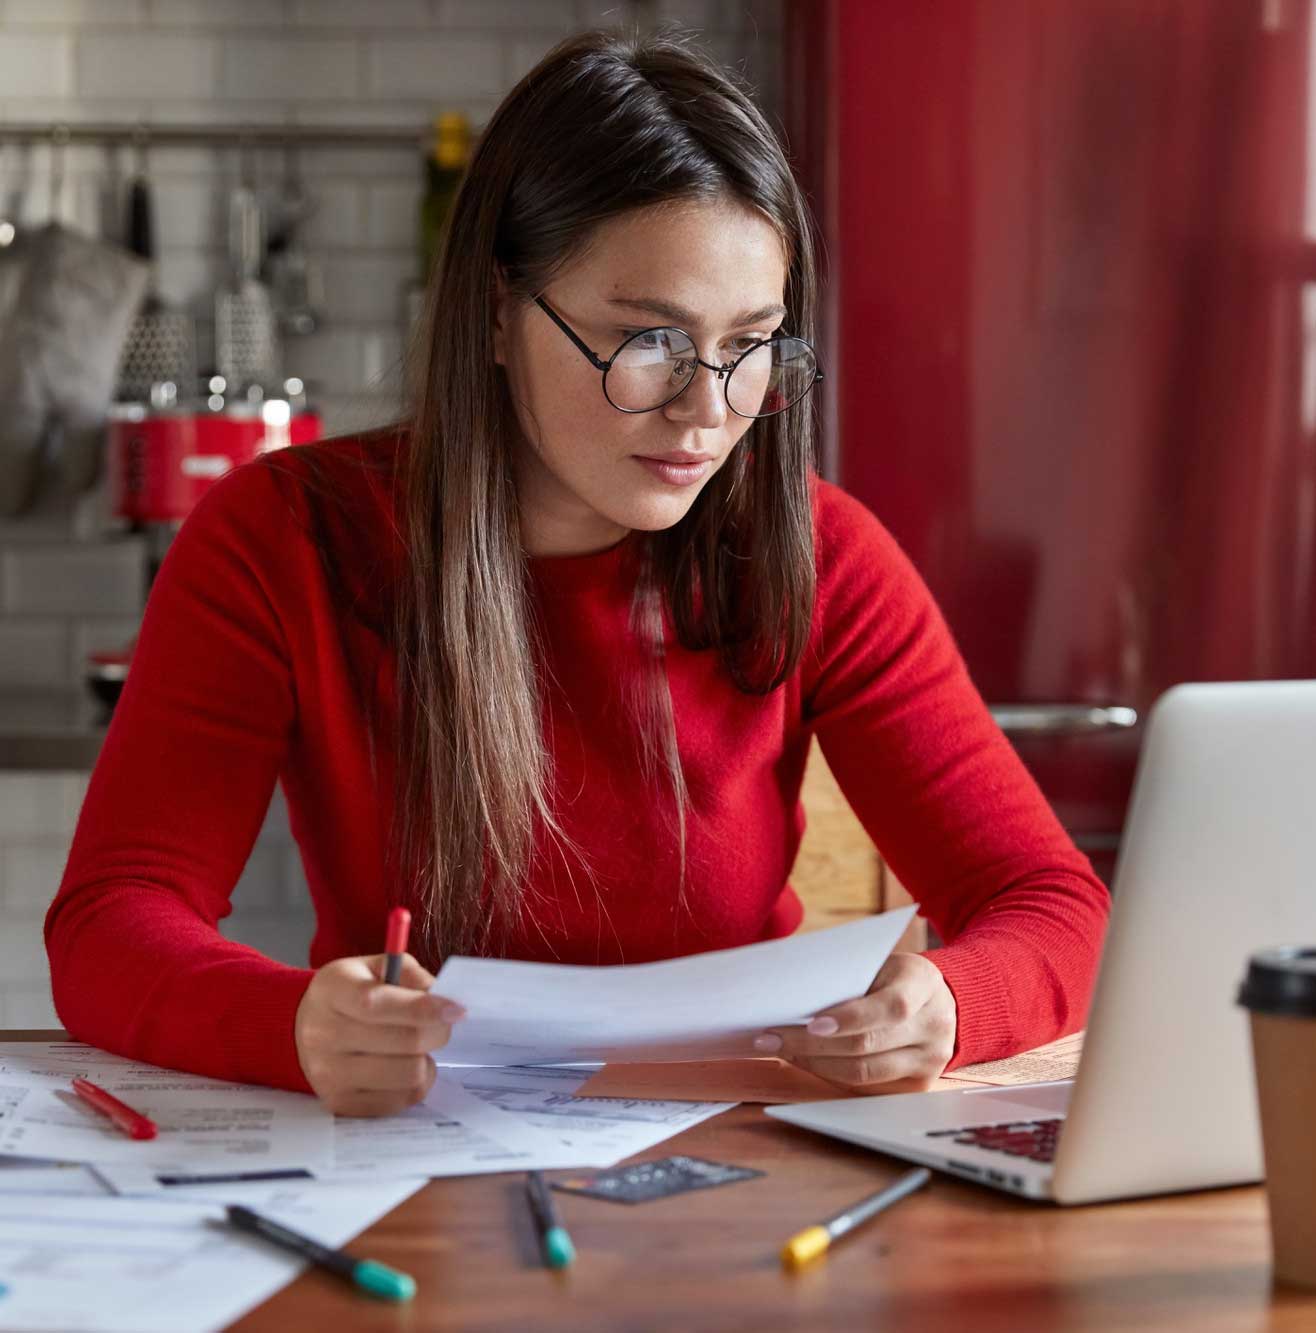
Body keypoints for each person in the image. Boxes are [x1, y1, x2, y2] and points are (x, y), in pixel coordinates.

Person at [45, 29, 1109, 1117]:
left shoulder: (824, 555)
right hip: (412, 1164)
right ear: (499, 313)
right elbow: (111, 922)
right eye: (648, 342)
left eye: (749, 346)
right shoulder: (280, 539)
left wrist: (949, 1001)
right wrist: (294, 1023)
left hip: (736, 1155)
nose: (708, 411)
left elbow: (1051, 902)